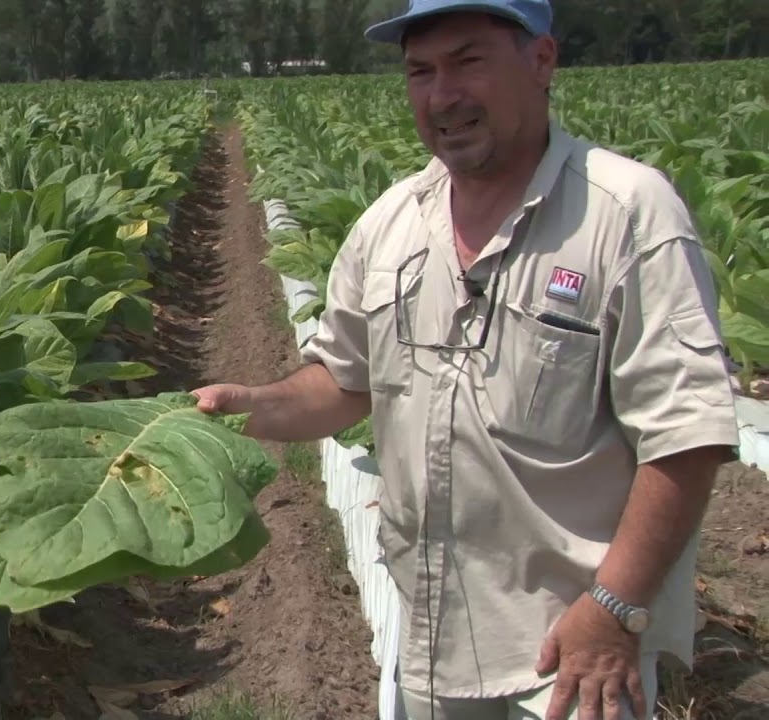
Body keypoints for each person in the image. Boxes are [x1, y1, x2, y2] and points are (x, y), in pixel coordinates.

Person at [191, 1, 742, 719]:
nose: (442, 95)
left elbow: (687, 434)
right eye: (421, 71)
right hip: (431, 641)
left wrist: (612, 609)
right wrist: (249, 407)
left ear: (542, 61)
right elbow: (343, 382)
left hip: (572, 658)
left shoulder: (628, 214)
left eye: (467, 61)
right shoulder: (388, 225)